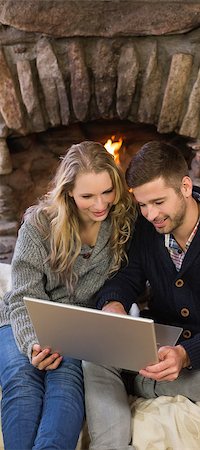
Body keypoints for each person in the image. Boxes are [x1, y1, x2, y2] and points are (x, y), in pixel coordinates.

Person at [83, 140, 200, 450]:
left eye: (158, 202)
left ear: (186, 186)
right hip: (157, 343)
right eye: (142, 204)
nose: (150, 214)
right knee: (94, 356)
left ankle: (144, 385)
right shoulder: (146, 230)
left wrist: (186, 355)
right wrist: (113, 306)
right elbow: (126, 278)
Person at [0, 141, 136, 450]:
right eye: (88, 196)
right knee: (23, 384)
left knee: (66, 386)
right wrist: (33, 343)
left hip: (77, 325)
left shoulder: (124, 221)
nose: (100, 204)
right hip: (21, 321)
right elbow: (22, 295)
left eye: (107, 191)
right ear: (68, 193)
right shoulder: (39, 225)